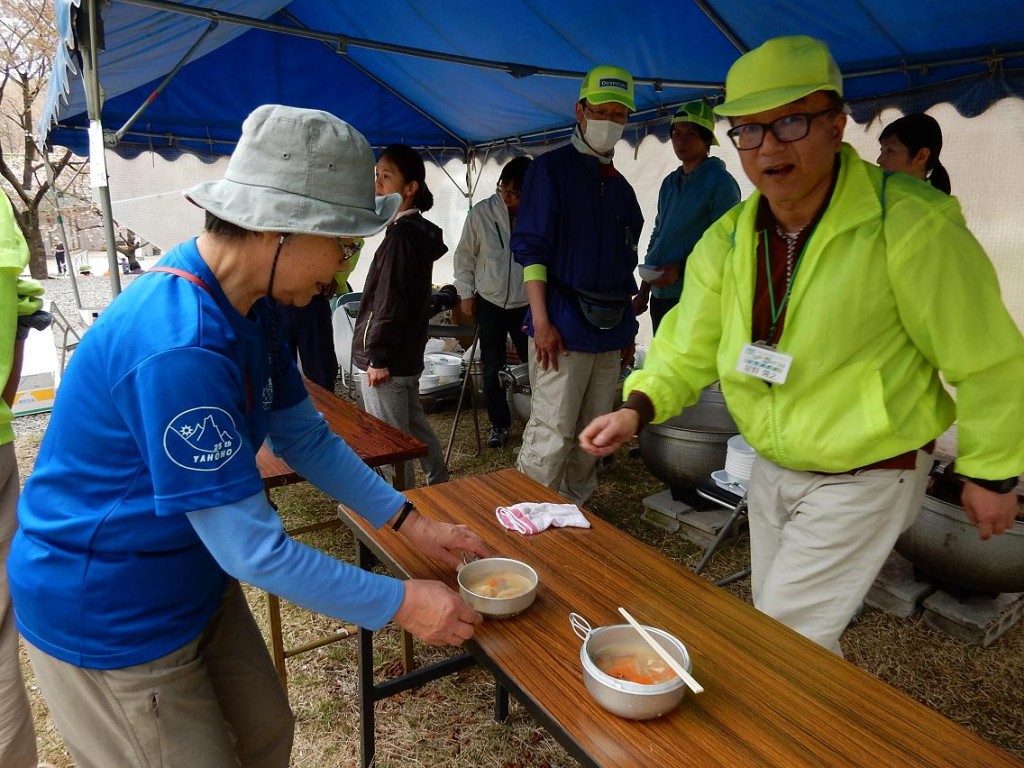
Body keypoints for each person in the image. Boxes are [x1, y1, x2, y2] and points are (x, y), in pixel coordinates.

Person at [7, 105, 489, 768]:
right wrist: (401, 602)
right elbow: (253, 551)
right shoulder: (180, 345)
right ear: (279, 228)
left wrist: (408, 522)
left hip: (188, 580)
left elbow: (306, 439)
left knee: (265, 733)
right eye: (342, 242)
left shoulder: (252, 308)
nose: (345, 265)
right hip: (111, 609)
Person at [580, 36, 1024, 655]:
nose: (770, 146)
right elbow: (688, 340)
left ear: (838, 122)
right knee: (782, 623)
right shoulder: (731, 237)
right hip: (775, 458)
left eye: (791, 120)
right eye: (750, 130)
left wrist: (993, 469)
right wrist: (639, 404)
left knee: (783, 641)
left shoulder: (909, 223)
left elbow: (988, 355)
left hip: (869, 467)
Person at [512, 64, 644, 506]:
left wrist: (626, 331)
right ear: (581, 110)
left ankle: (574, 513)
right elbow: (532, 251)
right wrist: (541, 320)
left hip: (611, 328)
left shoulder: (623, 189)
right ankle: (528, 517)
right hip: (562, 326)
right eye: (602, 110)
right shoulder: (549, 171)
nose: (610, 121)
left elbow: (625, 265)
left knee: (594, 432)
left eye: (620, 114)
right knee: (553, 430)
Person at [352, 144, 450, 489]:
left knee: (392, 440)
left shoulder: (401, 238)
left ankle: (405, 504)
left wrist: (377, 356)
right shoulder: (411, 234)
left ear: (410, 189)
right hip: (403, 357)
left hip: (388, 360)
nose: (377, 183)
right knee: (414, 426)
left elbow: (389, 301)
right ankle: (440, 483)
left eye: (387, 176)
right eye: (376, 175)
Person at [634, 100, 740, 332]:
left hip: (696, 297)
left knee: (689, 364)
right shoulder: (669, 183)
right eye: (676, 133)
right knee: (663, 364)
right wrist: (644, 291)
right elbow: (657, 234)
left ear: (706, 139)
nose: (681, 139)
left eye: (691, 133)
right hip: (660, 296)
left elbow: (727, 246)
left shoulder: (721, 183)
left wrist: (681, 268)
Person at [453, 156, 532, 449]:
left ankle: (536, 420)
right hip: (490, 300)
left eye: (516, 193)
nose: (507, 197)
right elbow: (464, 256)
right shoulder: (481, 213)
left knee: (534, 365)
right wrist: (466, 293)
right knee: (491, 365)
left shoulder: (538, 214)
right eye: (504, 189)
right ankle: (499, 423)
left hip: (526, 302)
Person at [279, 236, 363, 390]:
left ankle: (326, 410)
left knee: (321, 371)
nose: (343, 264)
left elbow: (353, 239)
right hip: (278, 298)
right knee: (278, 372)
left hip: (315, 296)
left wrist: (336, 277)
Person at [877, 112, 951, 194]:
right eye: (882, 151)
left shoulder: (934, 204)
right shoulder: (884, 193)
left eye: (890, 151)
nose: (879, 160)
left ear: (921, 156)